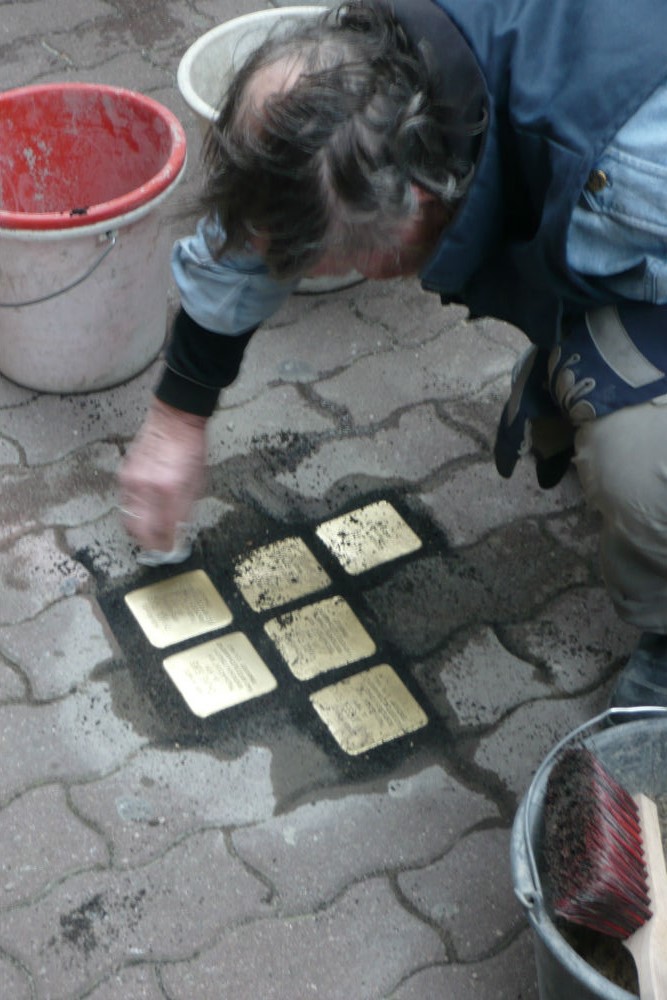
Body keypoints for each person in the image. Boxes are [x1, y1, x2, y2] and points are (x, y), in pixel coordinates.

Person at [119, 0, 667, 711]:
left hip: (629, 171)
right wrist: (177, 418)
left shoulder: (631, 177)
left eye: (325, 263)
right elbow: (276, 196)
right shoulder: (372, 75)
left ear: (411, 206)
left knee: (637, 465)